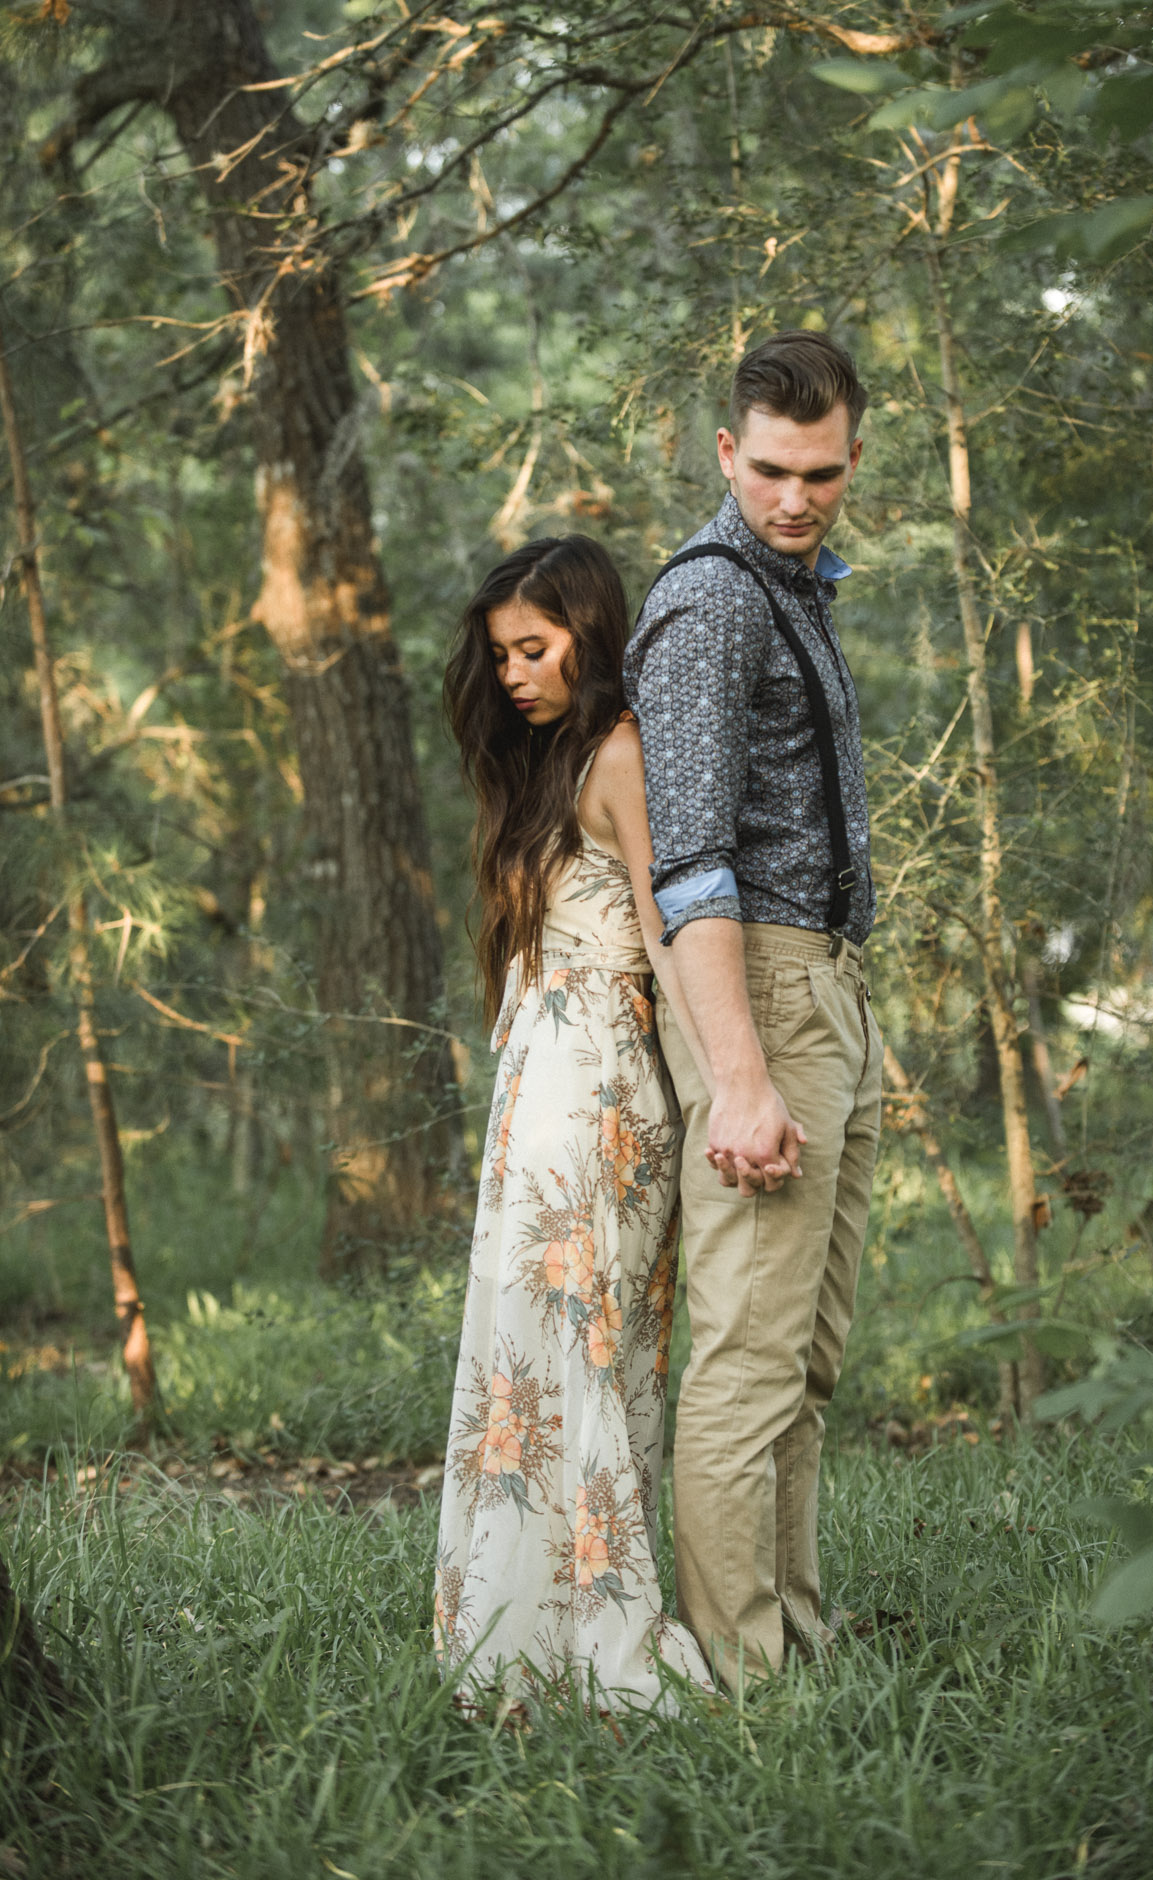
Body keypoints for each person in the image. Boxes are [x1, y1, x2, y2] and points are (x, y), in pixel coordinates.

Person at [623, 330, 881, 1692]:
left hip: (826, 983)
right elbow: (689, 863)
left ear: (850, 459)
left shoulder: (795, 586)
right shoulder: (710, 603)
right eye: (771, 470)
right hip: (757, 991)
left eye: (820, 473)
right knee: (741, 1358)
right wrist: (737, 1077)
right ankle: (743, 1686)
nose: (794, 498)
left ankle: (795, 1639)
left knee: (804, 1357)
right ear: (726, 451)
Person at [434, 535, 711, 1713]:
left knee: (587, 1351)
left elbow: (669, 931)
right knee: (528, 1355)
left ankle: (603, 1631)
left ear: (590, 634)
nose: (510, 673)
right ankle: (520, 1633)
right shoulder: (545, 763)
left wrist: (718, 1090)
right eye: (499, 654)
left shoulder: (618, 753)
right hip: (535, 1085)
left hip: (598, 1090)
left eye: (533, 648)